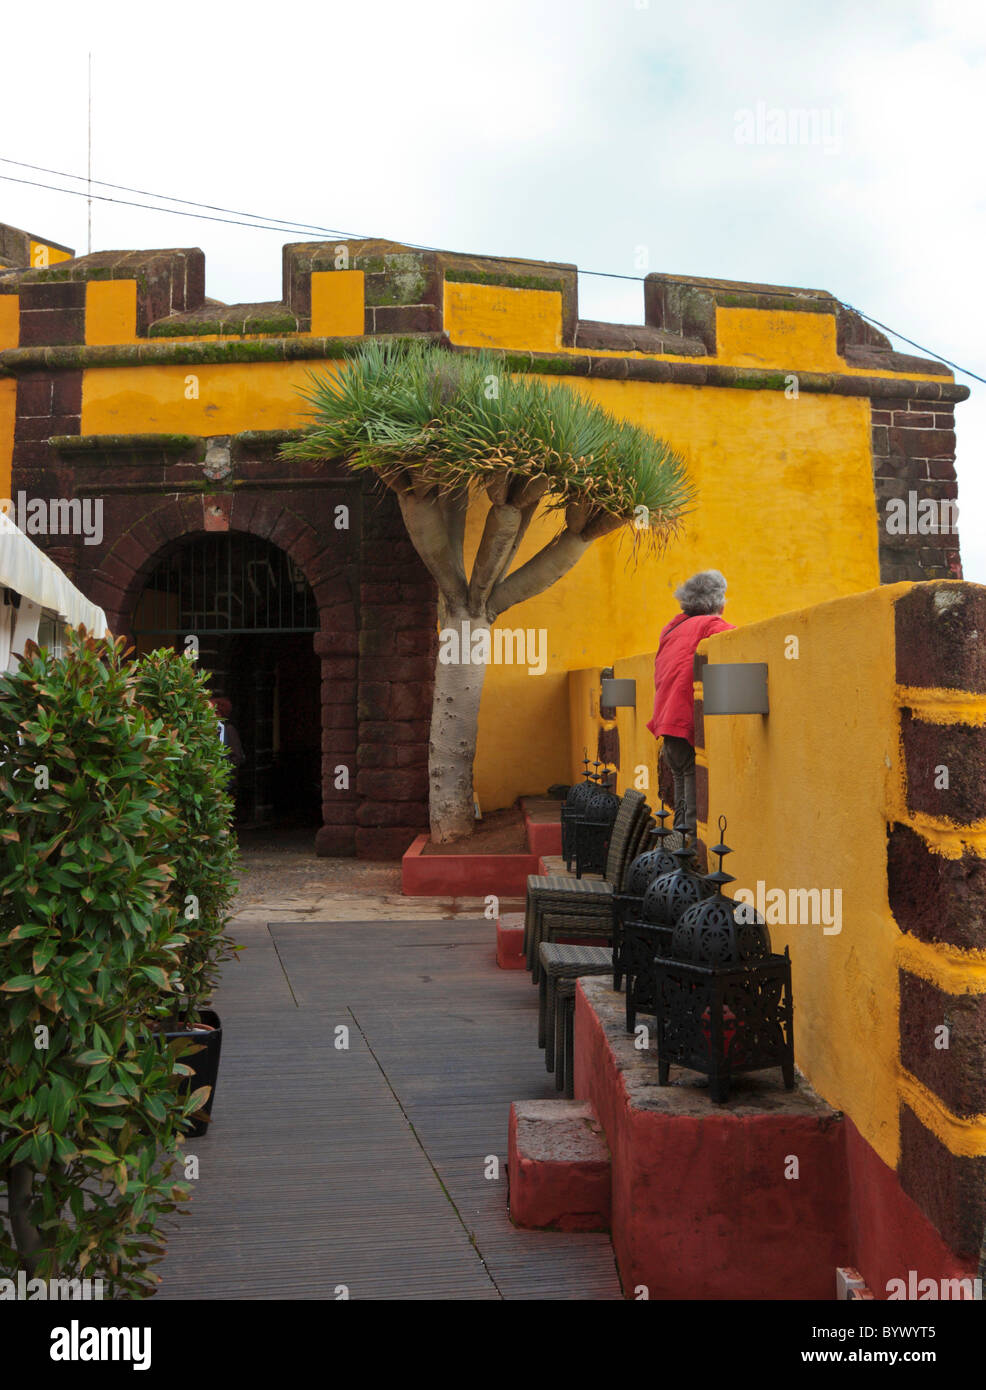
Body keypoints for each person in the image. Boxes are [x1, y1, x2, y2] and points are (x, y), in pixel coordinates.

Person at [646, 570, 735, 840]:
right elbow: (737, 644)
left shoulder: (671, 627)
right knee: (692, 818)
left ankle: (675, 864)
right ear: (717, 602)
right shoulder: (710, 626)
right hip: (685, 724)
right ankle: (687, 869)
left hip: (666, 725)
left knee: (682, 811)